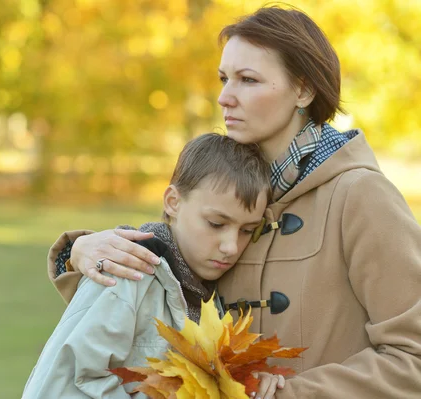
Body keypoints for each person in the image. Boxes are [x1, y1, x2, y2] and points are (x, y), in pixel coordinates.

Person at [45, 5, 421, 399]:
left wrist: (286, 394)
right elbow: (155, 302)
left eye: (248, 80)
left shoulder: (360, 196)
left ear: (304, 90)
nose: (225, 97)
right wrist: (80, 251)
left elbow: (412, 356)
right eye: (224, 78)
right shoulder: (235, 193)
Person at [23, 134, 286, 398]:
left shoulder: (212, 296)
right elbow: (57, 387)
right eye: (216, 224)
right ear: (173, 202)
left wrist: (244, 384)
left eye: (247, 230)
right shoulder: (126, 275)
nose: (231, 246)